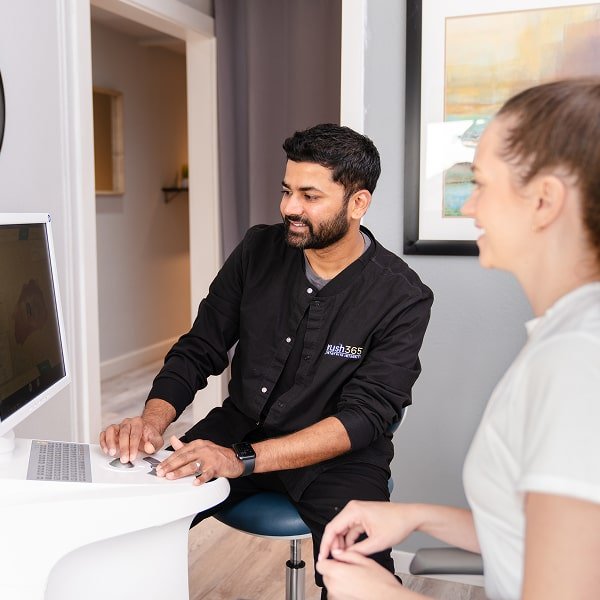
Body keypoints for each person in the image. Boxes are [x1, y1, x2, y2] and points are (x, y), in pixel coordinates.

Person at [99, 123, 433, 597]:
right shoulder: (258, 249)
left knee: (359, 579)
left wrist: (243, 461)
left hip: (338, 459)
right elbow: (201, 347)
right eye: (286, 191)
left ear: (357, 203)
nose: (289, 208)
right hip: (238, 429)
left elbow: (365, 417)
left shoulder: (402, 296)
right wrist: (152, 421)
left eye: (309, 196)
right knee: (134, 523)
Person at [316, 78, 600, 600]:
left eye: (482, 184)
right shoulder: (569, 336)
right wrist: (416, 515)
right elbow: (543, 536)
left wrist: (383, 594)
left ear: (544, 200)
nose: (469, 208)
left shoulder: (578, 361)